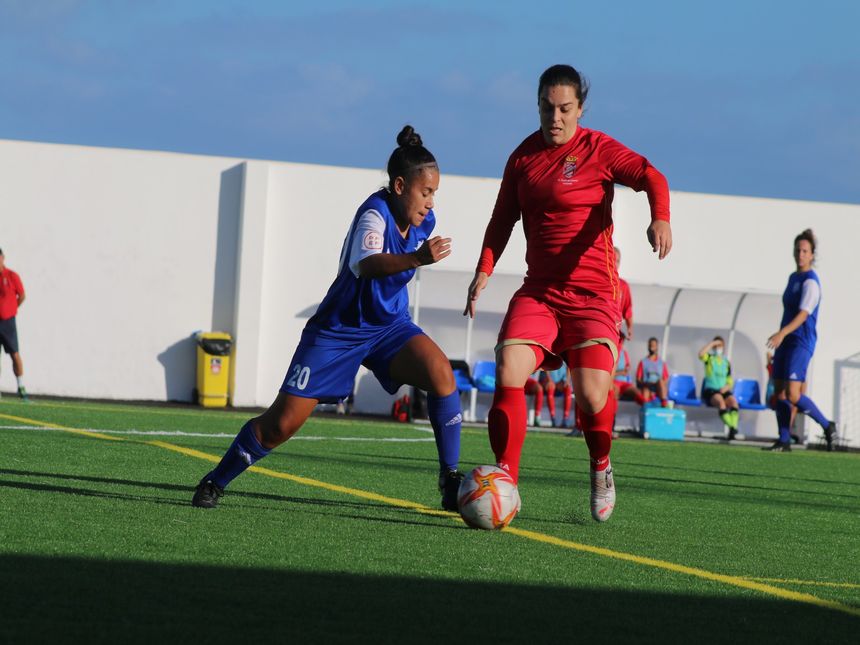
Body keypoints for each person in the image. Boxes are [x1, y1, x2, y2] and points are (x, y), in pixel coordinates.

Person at [193, 126, 465, 509]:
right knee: (281, 424)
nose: (432, 202)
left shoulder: (424, 222)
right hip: (338, 332)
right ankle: (215, 481)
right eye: (426, 192)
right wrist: (419, 258)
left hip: (388, 327)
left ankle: (450, 480)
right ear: (400, 186)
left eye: (435, 192)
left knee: (440, 373)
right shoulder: (375, 213)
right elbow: (368, 266)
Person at [464, 64, 672, 523]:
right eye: (546, 107)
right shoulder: (522, 158)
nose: (554, 117)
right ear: (537, 105)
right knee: (508, 367)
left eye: (564, 109)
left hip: (594, 294)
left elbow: (651, 174)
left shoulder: (599, 149)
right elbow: (502, 219)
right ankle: (506, 481)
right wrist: (483, 269)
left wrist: (660, 216)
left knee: (592, 395)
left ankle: (600, 465)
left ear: (580, 108)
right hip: (539, 291)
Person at [765, 229, 836, 452]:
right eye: (798, 250)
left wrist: (782, 333)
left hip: (801, 341)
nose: (800, 254)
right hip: (786, 339)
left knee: (793, 393)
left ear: (812, 254)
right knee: (778, 391)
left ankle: (827, 426)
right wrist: (782, 335)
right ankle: (784, 439)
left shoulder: (811, 282)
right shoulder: (793, 277)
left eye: (805, 251)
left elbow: (803, 315)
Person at [0, 248, 28, 401]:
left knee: (14, 353)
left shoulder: (11, 276)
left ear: (3, 258)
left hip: (8, 322)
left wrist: (12, 308)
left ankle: (21, 386)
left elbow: (22, 295)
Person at [699, 336, 740, 440]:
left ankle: (732, 428)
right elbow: (700, 354)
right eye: (716, 346)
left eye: (720, 345)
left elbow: (729, 379)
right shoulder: (709, 359)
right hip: (711, 390)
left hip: (723, 390)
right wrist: (712, 343)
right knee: (721, 403)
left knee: (734, 403)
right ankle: (732, 426)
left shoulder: (726, 362)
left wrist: (727, 387)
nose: (718, 348)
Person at [636, 337, 670, 407]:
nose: (652, 347)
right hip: (647, 385)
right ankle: (646, 410)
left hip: (658, 386)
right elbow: (638, 379)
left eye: (654, 345)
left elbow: (666, 379)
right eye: (650, 345)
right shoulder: (643, 362)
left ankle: (664, 404)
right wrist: (646, 384)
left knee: (660, 381)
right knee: (645, 392)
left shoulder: (662, 363)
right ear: (648, 346)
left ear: (657, 347)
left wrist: (659, 386)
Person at [539, 362, 573, 427]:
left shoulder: (565, 353)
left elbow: (568, 366)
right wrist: (549, 380)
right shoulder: (551, 353)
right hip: (551, 380)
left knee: (568, 389)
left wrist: (567, 380)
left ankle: (565, 418)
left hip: (561, 381)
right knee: (550, 388)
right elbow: (546, 367)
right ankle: (552, 417)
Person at [615, 247, 634, 353]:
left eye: (617, 261)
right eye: (612, 259)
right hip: (598, 329)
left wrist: (630, 328)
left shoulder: (623, 285)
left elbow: (628, 310)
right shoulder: (598, 281)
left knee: (611, 367)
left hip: (615, 332)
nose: (615, 263)